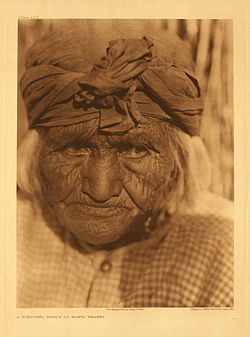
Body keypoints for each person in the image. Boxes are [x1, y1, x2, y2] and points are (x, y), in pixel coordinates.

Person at [17, 24, 233, 308]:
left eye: (136, 149)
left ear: (181, 160)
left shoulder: (229, 251)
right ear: (35, 154)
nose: (101, 190)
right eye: (74, 147)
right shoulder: (13, 231)